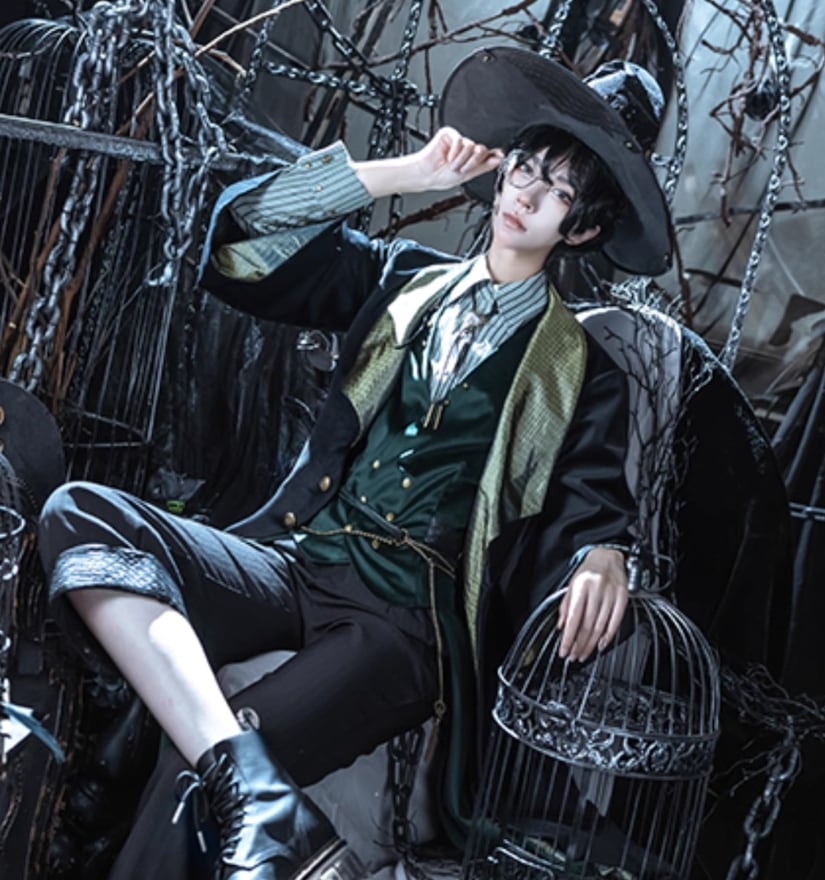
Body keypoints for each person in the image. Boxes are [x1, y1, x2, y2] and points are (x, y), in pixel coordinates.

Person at [37, 46, 675, 880]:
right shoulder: (398, 279)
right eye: (526, 168)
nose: (525, 196)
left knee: (197, 776)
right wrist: (401, 174)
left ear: (581, 229)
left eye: (558, 194)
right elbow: (237, 241)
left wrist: (604, 550)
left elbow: (592, 499)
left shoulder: (581, 369)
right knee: (79, 511)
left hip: (402, 625)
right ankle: (246, 778)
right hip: (295, 561)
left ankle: (229, 773)